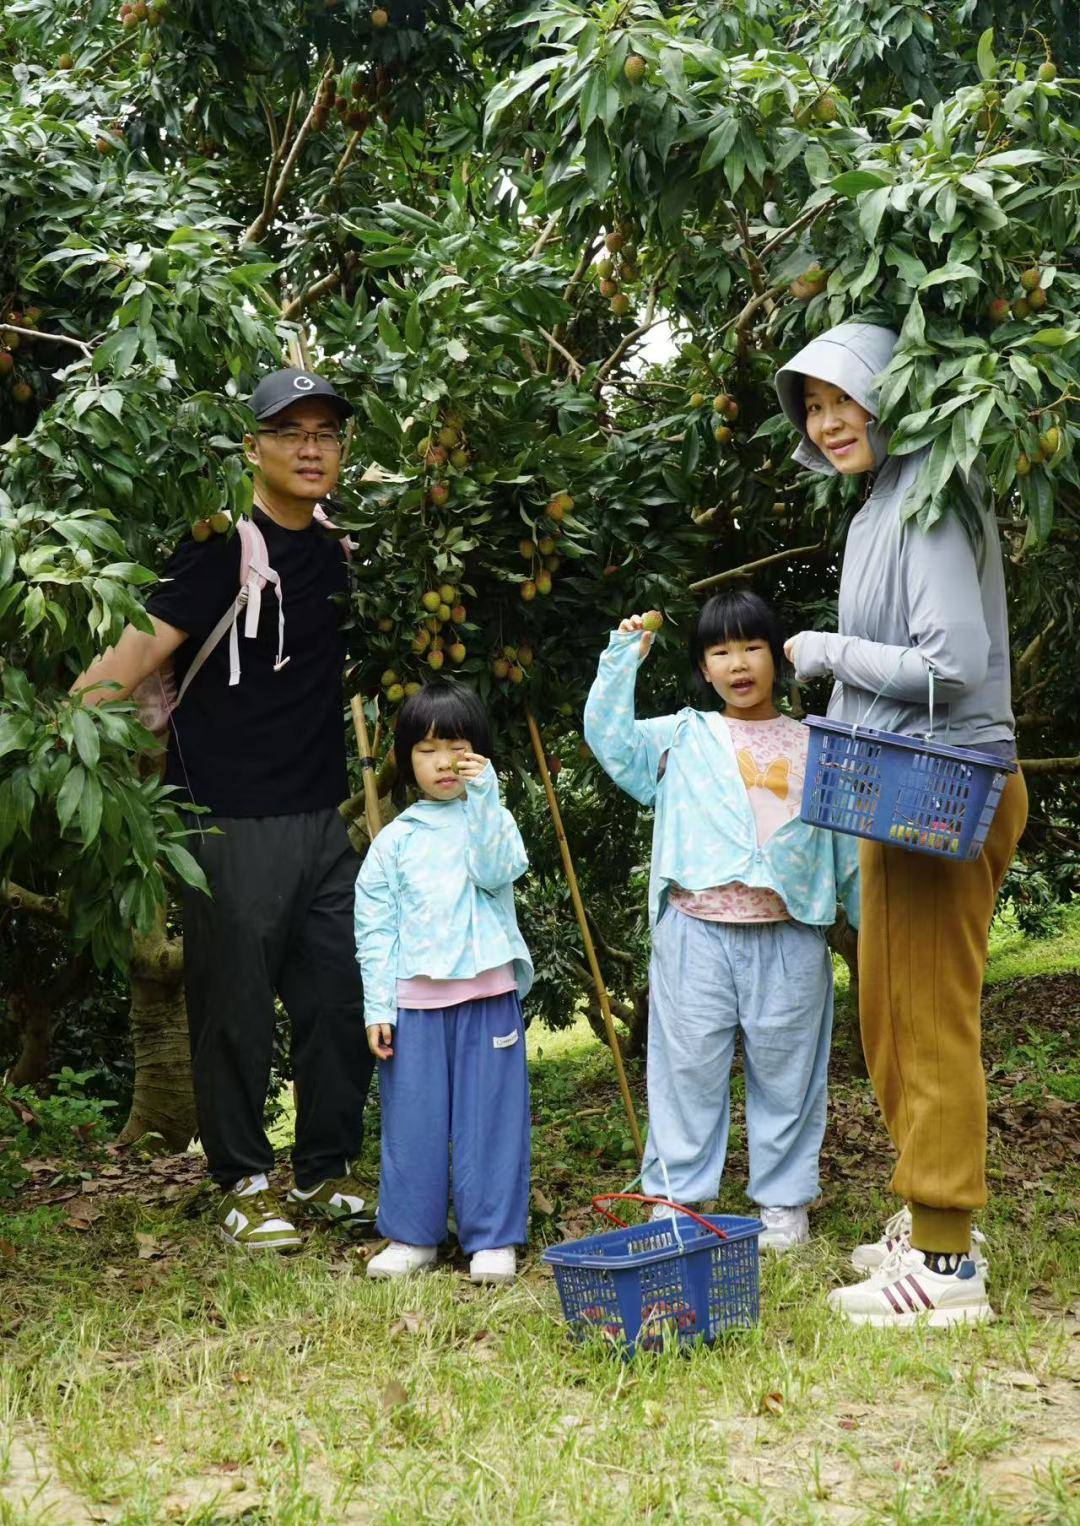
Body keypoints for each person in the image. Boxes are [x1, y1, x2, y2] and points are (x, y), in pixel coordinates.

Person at [73, 368, 374, 1250]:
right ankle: (243, 1180)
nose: (312, 448)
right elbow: (129, 660)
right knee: (233, 1010)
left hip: (321, 818)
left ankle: (324, 1169)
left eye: (326, 433)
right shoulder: (218, 548)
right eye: (291, 433)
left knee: (340, 997)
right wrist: (58, 740)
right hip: (226, 819)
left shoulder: (341, 552)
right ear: (253, 448)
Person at [775, 321, 1028, 1325]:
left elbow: (952, 662)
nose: (829, 421)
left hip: (942, 784)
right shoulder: (885, 498)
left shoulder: (928, 495)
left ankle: (947, 1263)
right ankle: (927, 1217)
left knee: (925, 1021)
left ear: (892, 393)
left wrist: (824, 650)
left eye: (846, 397)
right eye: (814, 406)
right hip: (900, 785)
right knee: (890, 1013)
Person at [583, 591, 859, 1251]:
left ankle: (784, 1204)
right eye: (721, 651)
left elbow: (847, 848)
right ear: (704, 669)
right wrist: (623, 657)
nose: (739, 664)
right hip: (695, 933)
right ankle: (678, 1200)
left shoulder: (817, 744)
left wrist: (865, 916)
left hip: (790, 936)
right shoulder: (682, 735)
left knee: (789, 1076)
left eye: (752, 647)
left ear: (776, 658)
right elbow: (608, 738)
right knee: (686, 1074)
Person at [354, 679, 533, 1283]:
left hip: (489, 995)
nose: (444, 762)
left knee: (491, 1121)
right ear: (406, 759)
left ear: (479, 753)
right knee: (413, 1123)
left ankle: (493, 1239)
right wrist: (378, 1007)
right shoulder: (395, 841)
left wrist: (488, 798)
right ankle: (413, 1236)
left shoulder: (494, 820)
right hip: (414, 1005)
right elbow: (375, 929)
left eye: (458, 747)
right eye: (427, 749)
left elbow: (496, 870)